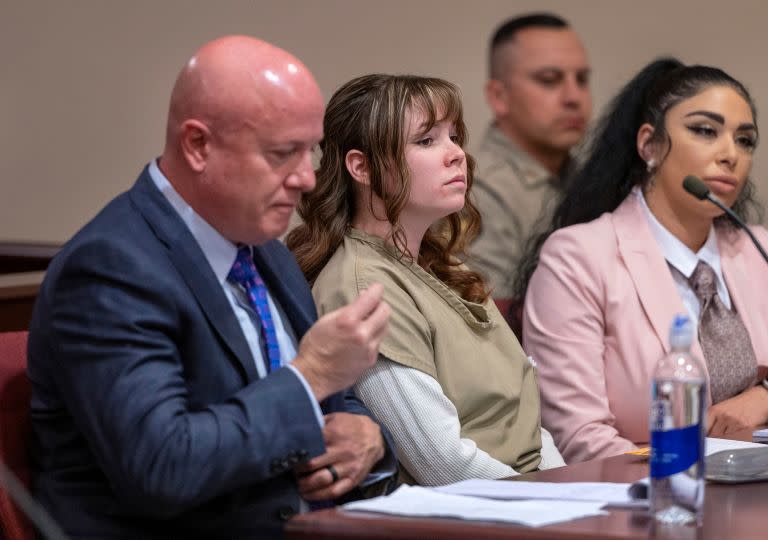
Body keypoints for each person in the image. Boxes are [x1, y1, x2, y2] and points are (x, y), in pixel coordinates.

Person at [27, 36, 396, 537]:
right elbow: (162, 466)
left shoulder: (264, 250)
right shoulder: (110, 268)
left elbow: (333, 404)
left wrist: (367, 438)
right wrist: (310, 376)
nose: (307, 178)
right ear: (198, 145)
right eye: (282, 153)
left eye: (309, 151)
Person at [517, 58, 768, 463]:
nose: (730, 154)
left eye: (745, 140)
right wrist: (690, 484)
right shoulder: (579, 256)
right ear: (649, 144)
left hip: (762, 490)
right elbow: (578, 436)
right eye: (705, 131)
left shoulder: (755, 249)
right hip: (645, 503)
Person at [286, 73, 565, 486]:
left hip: (531, 498)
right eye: (427, 140)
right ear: (361, 167)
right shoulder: (363, 288)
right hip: (479, 515)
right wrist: (558, 504)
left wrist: (571, 488)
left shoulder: (449, 269)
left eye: (454, 136)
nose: (457, 155)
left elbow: (528, 429)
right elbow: (443, 465)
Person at [468, 12, 592, 297]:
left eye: (582, 79)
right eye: (550, 80)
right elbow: (485, 322)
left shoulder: (588, 177)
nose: (574, 97)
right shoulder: (476, 191)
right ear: (499, 97)